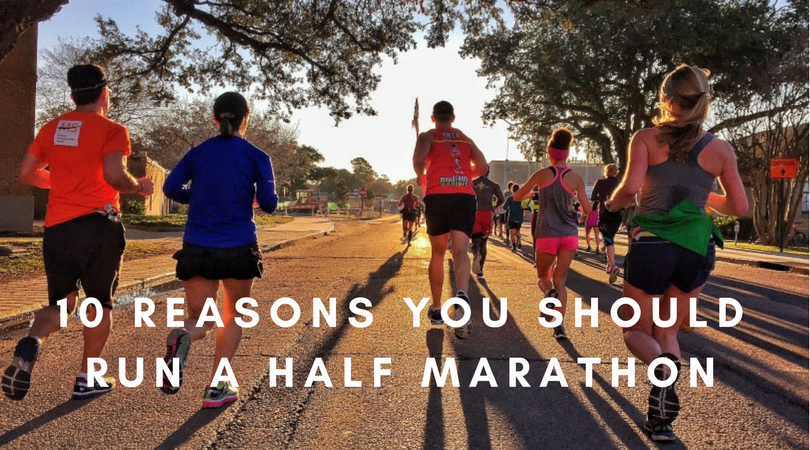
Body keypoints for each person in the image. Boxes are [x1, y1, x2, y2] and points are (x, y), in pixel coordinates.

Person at [605, 65, 748, 441]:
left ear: (666, 100)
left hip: (653, 243)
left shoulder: (647, 138)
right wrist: (700, 198)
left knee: (635, 329)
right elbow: (740, 207)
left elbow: (631, 187)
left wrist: (614, 201)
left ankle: (662, 370)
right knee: (667, 327)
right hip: (695, 249)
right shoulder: (720, 149)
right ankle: (661, 422)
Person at [4, 64, 154, 401]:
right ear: (104, 94)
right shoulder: (112, 130)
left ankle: (32, 342)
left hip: (57, 229)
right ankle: (88, 377)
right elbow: (115, 176)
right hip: (97, 227)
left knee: (60, 305)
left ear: (72, 95)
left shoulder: (52, 128)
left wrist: (62, 181)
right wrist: (140, 187)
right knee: (98, 303)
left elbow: (26, 173)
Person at [161, 92, 278, 408]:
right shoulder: (257, 156)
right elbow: (269, 203)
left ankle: (183, 335)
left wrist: (196, 197)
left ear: (215, 118)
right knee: (234, 314)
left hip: (198, 247)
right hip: (239, 246)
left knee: (201, 317)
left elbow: (171, 188)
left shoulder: (198, 154)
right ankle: (216, 387)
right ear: (246, 119)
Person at [413, 101, 488, 339]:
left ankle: (437, 309)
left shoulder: (428, 135)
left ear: (433, 117)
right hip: (464, 196)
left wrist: (422, 175)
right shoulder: (465, 138)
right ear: (453, 118)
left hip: (438, 196)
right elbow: (483, 166)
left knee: (437, 253)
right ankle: (463, 292)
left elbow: (418, 160)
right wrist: (466, 175)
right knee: (460, 250)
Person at [513, 128, 590, 340]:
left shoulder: (542, 174)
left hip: (547, 233)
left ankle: (548, 295)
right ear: (567, 152)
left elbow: (517, 197)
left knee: (542, 277)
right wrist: (582, 213)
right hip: (569, 235)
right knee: (560, 279)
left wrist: (533, 192)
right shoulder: (575, 178)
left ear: (549, 151)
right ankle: (559, 328)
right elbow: (588, 209)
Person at [471, 167, 505, 279]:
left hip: (475, 212)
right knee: (484, 243)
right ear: (488, 172)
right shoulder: (493, 185)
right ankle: (480, 271)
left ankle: (476, 253)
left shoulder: (472, 183)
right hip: (487, 213)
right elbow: (501, 198)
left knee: (475, 240)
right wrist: (494, 207)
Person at [592, 163, 621, 282]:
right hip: (618, 215)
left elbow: (593, 197)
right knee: (610, 239)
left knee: (608, 241)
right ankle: (610, 265)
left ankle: (613, 265)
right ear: (616, 172)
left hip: (604, 214)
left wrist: (602, 197)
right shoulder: (620, 183)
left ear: (606, 172)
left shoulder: (600, 182)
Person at [503, 184, 525, 252]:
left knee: (512, 232)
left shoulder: (510, 198)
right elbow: (526, 207)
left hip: (511, 217)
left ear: (512, 190)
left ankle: (514, 247)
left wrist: (509, 207)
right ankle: (518, 237)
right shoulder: (522, 198)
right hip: (519, 217)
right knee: (517, 231)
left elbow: (504, 207)